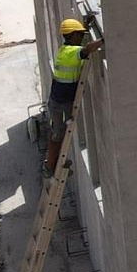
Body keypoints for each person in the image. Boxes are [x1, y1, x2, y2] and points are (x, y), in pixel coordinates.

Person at [42, 16, 105, 173]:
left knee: (58, 133)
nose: (82, 36)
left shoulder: (65, 49)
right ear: (72, 35)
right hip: (60, 102)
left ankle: (53, 163)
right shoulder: (71, 53)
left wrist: (84, 25)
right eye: (80, 34)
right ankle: (50, 167)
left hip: (60, 99)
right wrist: (105, 38)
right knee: (57, 134)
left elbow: (81, 46)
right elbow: (87, 49)